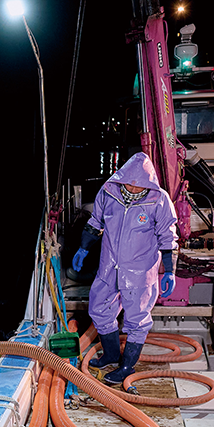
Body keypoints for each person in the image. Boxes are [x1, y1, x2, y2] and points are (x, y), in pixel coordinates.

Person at [72, 152, 178, 385]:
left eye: (138, 185)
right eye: (129, 182)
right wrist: (83, 248)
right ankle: (111, 355)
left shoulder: (159, 200)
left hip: (140, 272)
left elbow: (168, 238)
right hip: (109, 267)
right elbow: (95, 223)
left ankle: (127, 366)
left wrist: (169, 270)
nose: (132, 188)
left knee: (137, 319)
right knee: (99, 308)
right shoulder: (109, 192)